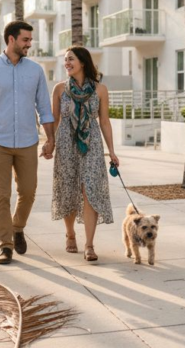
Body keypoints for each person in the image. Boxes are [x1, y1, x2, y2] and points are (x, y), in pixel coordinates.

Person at [0, 21, 55, 265]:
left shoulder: (36, 71)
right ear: (11, 39)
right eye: (25, 40)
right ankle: (5, 245)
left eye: (30, 40)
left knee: (28, 192)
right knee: (1, 195)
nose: (29, 44)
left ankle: (18, 227)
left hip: (28, 140)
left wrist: (51, 139)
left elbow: (44, 108)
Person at [47, 45, 118, 261]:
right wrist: (49, 142)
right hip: (66, 143)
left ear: (83, 63)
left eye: (71, 59)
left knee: (89, 189)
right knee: (68, 188)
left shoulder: (100, 90)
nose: (67, 63)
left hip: (92, 144)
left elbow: (104, 121)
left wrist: (112, 151)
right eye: (65, 59)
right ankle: (70, 234)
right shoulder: (59, 89)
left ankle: (89, 245)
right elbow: (55, 119)